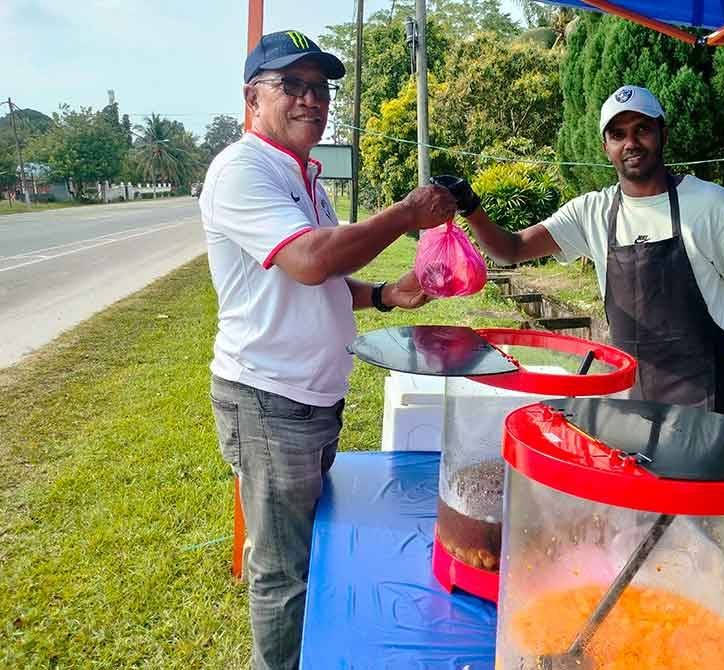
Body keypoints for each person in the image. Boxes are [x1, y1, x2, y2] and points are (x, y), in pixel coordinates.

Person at [199, 30, 455, 670]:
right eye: (294, 85)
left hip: (312, 398)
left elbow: (324, 283)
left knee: (308, 554)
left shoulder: (306, 178)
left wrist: (387, 296)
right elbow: (311, 261)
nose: (312, 99)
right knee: (285, 575)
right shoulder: (241, 170)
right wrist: (405, 214)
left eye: (320, 87)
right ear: (252, 97)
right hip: (268, 399)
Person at [434, 85, 724, 438]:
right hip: (629, 403)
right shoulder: (592, 212)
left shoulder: (711, 204)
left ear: (663, 134)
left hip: (706, 401)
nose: (631, 143)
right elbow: (510, 249)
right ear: (606, 147)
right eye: (618, 134)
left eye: (642, 129)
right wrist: (471, 207)